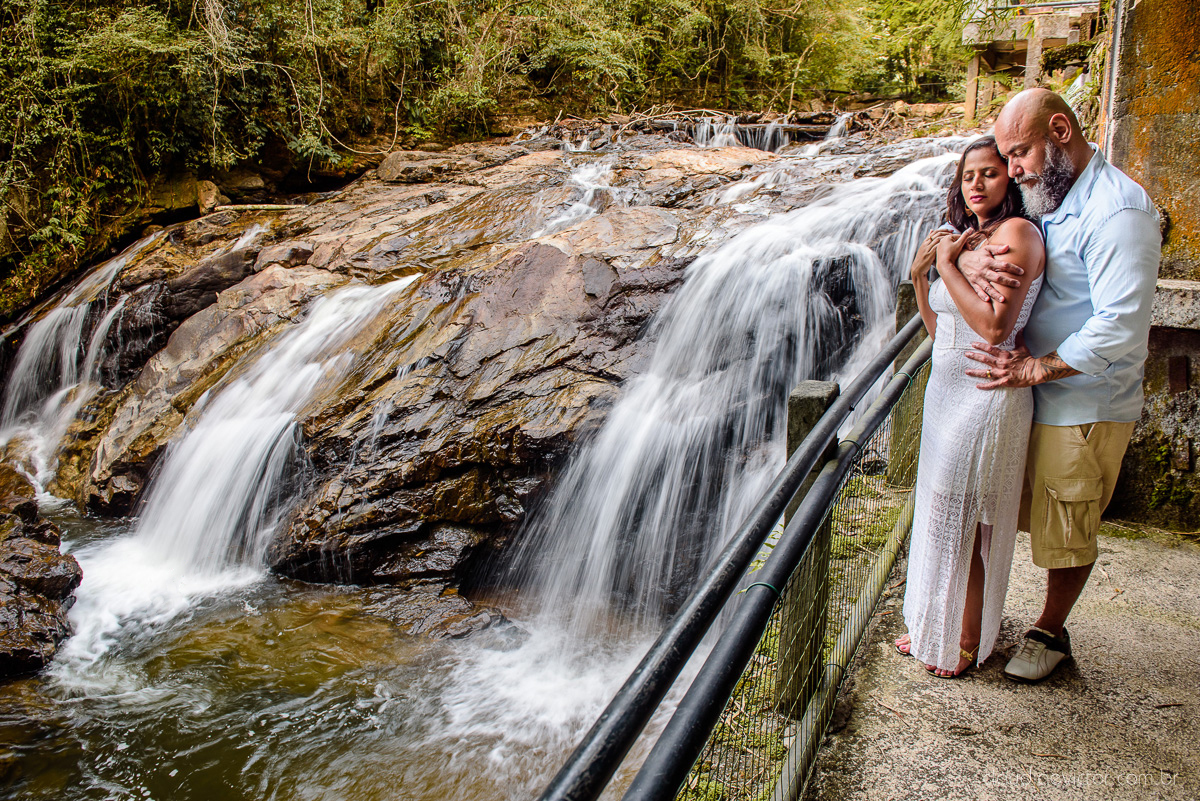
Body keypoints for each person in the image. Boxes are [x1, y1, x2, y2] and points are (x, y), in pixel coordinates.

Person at [951, 88, 1160, 683]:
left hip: (1083, 399)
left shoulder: (1119, 212)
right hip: (1025, 393)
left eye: (1020, 153)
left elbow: (1120, 323)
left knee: (1067, 522)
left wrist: (1037, 368)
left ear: (1061, 131)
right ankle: (977, 622)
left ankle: (1050, 628)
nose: (1011, 168)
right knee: (997, 508)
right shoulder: (1047, 195)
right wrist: (964, 260)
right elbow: (994, 241)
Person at [895, 136, 1045, 677]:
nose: (976, 185)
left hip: (987, 394)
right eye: (967, 177)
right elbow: (945, 334)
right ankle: (937, 624)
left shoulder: (1018, 235)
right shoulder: (968, 239)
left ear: (1011, 179)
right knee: (940, 514)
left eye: (989, 173)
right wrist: (922, 276)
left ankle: (964, 638)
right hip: (946, 390)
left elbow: (993, 326)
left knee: (964, 522)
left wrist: (946, 264)